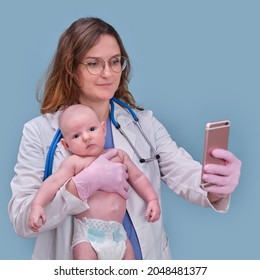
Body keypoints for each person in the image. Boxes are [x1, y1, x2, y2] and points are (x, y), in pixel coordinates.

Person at [8, 17, 242, 260]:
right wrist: (78, 188)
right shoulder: (39, 132)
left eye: (115, 62)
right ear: (72, 69)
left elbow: (185, 174)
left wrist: (216, 184)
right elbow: (21, 219)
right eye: (94, 64)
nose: (108, 73)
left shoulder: (143, 124)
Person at [28, 104, 161, 260]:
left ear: (103, 129)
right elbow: (52, 183)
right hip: (88, 236)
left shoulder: (118, 155)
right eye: (76, 136)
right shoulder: (74, 163)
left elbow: (138, 177)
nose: (86, 137)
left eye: (92, 129)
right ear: (66, 144)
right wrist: (37, 205)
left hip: (118, 234)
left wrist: (152, 199)